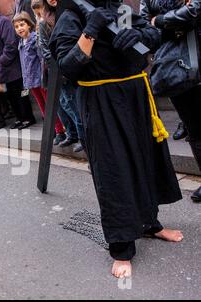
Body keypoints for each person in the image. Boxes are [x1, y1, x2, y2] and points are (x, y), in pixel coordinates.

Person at [50, 0, 184, 278]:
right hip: (101, 100)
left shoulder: (119, 8)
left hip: (136, 96)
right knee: (114, 170)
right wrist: (91, 30)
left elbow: (153, 34)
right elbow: (68, 67)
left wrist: (139, 35)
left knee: (145, 160)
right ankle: (121, 248)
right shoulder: (71, 16)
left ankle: (150, 224)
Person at [140, 0, 201, 203]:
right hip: (173, 66)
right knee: (194, 129)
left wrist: (161, 20)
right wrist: (173, 21)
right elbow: (144, 27)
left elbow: (195, 11)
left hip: (197, 52)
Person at [0, 0, 36, 130]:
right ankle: (20, 118)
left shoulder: (3, 22)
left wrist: (2, 61)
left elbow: (11, 44)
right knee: (11, 97)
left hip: (11, 67)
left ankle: (28, 118)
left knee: (21, 94)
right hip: (0, 71)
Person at [38, 0, 84, 151]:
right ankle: (73, 135)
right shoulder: (45, 22)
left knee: (76, 106)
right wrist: (58, 68)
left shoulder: (74, 12)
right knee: (65, 104)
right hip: (58, 70)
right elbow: (46, 49)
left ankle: (83, 139)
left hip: (77, 66)